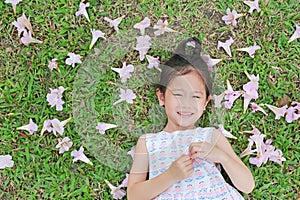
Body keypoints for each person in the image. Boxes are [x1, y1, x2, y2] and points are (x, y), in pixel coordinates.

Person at [127, 37, 255, 200]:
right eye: (178, 94)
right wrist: (171, 176)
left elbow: (247, 186)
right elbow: (133, 195)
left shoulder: (211, 136)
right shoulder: (148, 142)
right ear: (162, 97)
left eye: (195, 96)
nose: (186, 104)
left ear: (205, 103)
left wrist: (221, 157)